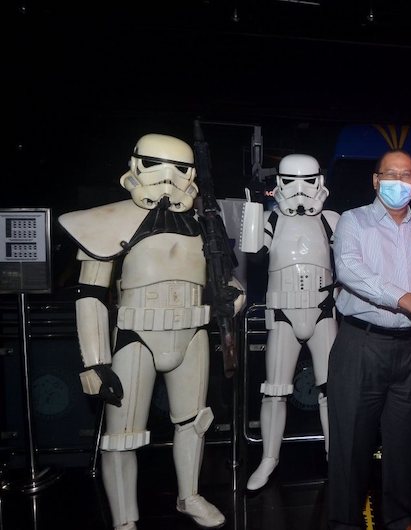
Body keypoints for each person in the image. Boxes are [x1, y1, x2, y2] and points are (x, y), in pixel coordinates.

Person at [58, 133, 245, 530]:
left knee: (194, 422)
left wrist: (233, 298)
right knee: (122, 436)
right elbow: (90, 293)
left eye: (180, 169)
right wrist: (94, 361)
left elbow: (229, 281)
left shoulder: (203, 226)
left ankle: (190, 495)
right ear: (135, 166)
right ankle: (125, 519)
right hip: (135, 336)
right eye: (157, 166)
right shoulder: (108, 221)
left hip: (192, 333)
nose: (169, 179)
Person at [327, 149, 411, 530]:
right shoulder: (352, 222)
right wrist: (406, 298)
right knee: (351, 442)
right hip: (361, 344)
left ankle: (399, 517)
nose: (398, 182)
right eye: (390, 174)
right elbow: (350, 270)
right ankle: (345, 522)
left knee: (404, 442)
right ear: (375, 179)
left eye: (407, 176)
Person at [239, 153, 339, 490]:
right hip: (282, 312)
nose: (300, 190)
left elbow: (352, 261)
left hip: (323, 310)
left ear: (320, 181)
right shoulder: (273, 220)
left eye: (308, 180)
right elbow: (252, 251)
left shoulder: (332, 220)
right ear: (278, 182)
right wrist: (253, 206)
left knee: (331, 390)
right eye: (291, 181)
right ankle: (269, 458)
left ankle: (335, 455)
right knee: (274, 392)